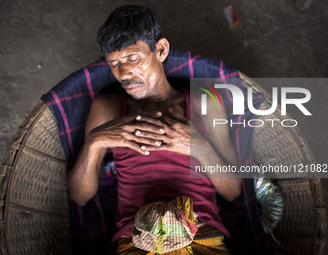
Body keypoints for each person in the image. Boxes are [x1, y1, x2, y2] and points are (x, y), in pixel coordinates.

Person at [67, 5, 241, 254]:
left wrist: (199, 147)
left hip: (200, 235)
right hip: (138, 238)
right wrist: (94, 142)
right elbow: (79, 196)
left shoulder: (204, 104)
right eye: (114, 63)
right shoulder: (109, 108)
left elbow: (233, 191)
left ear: (160, 50)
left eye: (133, 58)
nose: (124, 73)